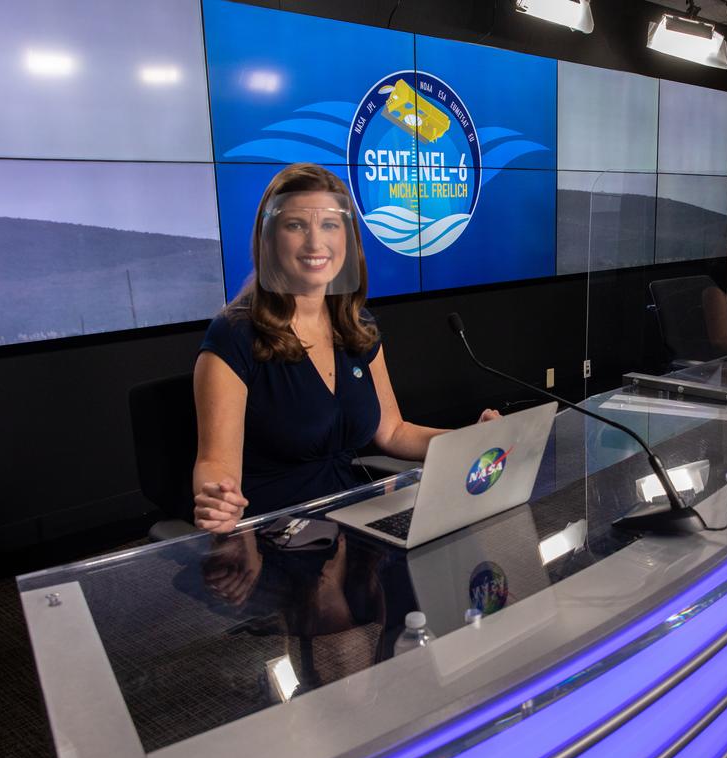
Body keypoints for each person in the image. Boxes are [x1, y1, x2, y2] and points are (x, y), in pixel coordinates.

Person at [193, 163, 498, 533]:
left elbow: (393, 432)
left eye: (329, 225)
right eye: (296, 225)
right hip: (277, 531)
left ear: (348, 240)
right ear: (268, 239)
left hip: (354, 520)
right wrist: (218, 499)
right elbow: (215, 465)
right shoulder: (234, 334)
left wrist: (470, 441)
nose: (315, 243)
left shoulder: (357, 325)